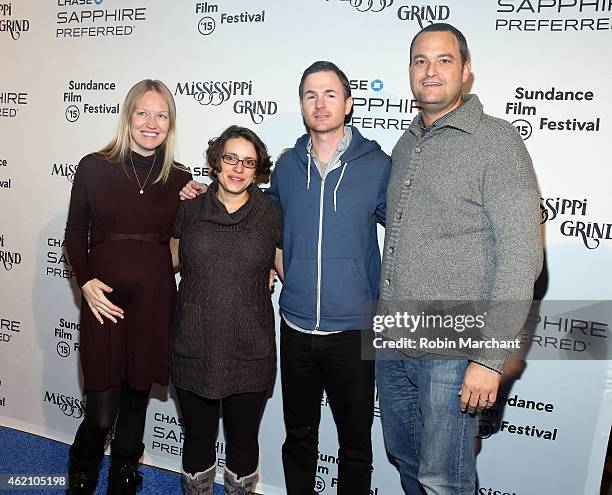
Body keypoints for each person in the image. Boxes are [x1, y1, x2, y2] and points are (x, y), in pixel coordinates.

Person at [181, 60, 391, 495]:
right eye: (311, 95)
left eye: (331, 94)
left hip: (353, 329)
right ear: (301, 105)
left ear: (348, 103)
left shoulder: (378, 166)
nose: (321, 103)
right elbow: (249, 214)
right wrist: (196, 193)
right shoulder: (287, 168)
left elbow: (409, 233)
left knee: (356, 446)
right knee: (299, 439)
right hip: (294, 327)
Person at [374, 23, 543, 494]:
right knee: (407, 462)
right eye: (420, 61)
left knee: (444, 480)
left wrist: (489, 359)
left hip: (453, 347)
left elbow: (521, 254)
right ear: (409, 71)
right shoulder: (405, 146)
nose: (431, 71)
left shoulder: (497, 141)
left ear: (466, 71)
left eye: (444, 60)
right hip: (394, 341)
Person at [64, 79, 192, 494]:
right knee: (102, 411)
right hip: (104, 302)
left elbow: (194, 233)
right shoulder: (93, 167)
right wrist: (84, 282)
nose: (151, 123)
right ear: (127, 116)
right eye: (143, 112)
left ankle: (124, 478)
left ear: (170, 123)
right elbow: (75, 231)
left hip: (154, 301)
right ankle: (80, 475)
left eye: (161, 115)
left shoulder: (179, 178)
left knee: (137, 398)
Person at [171, 125, 282, 495]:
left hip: (250, 348)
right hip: (193, 344)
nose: (238, 168)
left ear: (257, 169)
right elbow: (161, 260)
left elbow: (290, 272)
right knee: (198, 441)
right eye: (230, 158)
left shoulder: (271, 214)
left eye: (248, 162)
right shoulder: (189, 208)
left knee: (244, 442)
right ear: (216, 162)